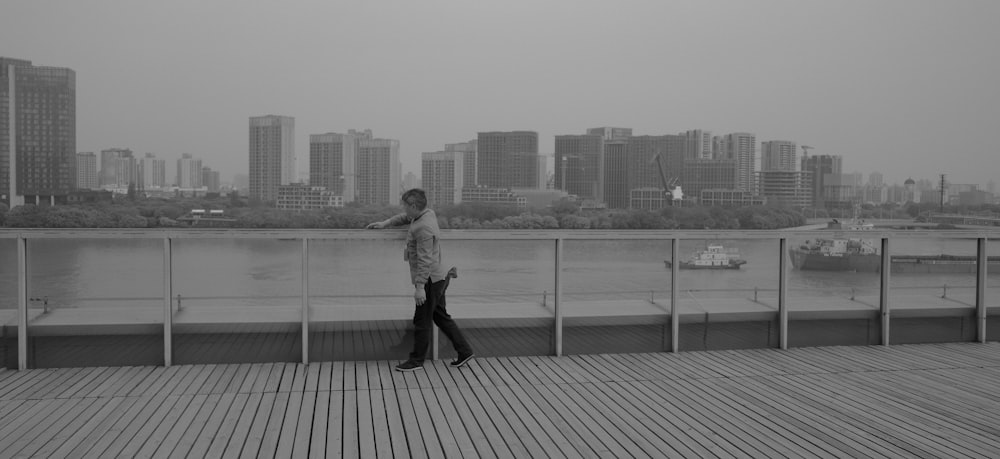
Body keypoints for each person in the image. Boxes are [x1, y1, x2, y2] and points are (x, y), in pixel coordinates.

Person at [367, 188, 474, 371]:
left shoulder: (423, 227)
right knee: (440, 316)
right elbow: (405, 217)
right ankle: (465, 351)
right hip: (441, 274)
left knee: (422, 320)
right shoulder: (426, 214)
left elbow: (425, 260)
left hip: (431, 278)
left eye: (405, 206)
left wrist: (419, 288)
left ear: (413, 205)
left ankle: (416, 360)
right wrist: (386, 223)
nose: (404, 209)